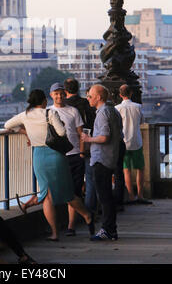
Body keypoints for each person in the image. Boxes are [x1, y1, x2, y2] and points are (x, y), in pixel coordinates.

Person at [4, 89, 95, 241]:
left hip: (39, 155)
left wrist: (24, 131)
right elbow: (60, 133)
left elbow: (7, 124)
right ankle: (87, 215)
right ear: (44, 101)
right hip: (56, 154)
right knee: (67, 192)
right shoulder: (49, 114)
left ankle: (54, 233)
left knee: (46, 194)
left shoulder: (25, 115)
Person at [81, 84, 123, 241]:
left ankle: (107, 229)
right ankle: (111, 229)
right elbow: (119, 134)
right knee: (107, 196)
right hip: (111, 157)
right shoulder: (114, 111)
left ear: (99, 97)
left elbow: (104, 137)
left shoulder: (103, 113)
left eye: (90, 96)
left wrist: (88, 139)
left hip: (101, 159)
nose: (88, 98)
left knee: (104, 197)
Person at [49, 82, 86, 236]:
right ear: (51, 95)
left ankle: (71, 226)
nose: (59, 96)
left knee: (74, 192)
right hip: (57, 157)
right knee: (55, 191)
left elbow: (80, 133)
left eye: (61, 93)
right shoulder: (47, 112)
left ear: (65, 94)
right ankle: (56, 227)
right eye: (56, 93)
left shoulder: (73, 111)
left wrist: (82, 152)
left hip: (75, 155)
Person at [64, 79, 97, 219]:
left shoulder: (64, 106)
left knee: (69, 182)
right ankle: (90, 211)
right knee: (90, 179)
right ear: (78, 89)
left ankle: (74, 216)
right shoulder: (85, 103)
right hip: (89, 143)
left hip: (70, 148)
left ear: (65, 91)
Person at [115, 85, 152, 205]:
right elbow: (141, 121)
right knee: (140, 169)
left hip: (123, 142)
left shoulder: (117, 108)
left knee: (126, 170)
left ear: (120, 95)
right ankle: (140, 195)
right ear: (131, 93)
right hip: (136, 141)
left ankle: (130, 196)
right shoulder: (138, 107)